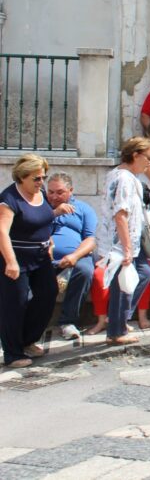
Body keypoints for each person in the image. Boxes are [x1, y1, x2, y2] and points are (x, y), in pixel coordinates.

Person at [0, 154, 58, 367]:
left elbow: (43, 221)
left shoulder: (40, 194)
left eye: (42, 177)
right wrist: (11, 261)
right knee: (15, 303)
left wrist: (49, 241)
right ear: (22, 177)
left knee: (48, 293)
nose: (41, 182)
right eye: (36, 178)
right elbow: (2, 232)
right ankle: (12, 352)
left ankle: (27, 339)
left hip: (41, 256)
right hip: (16, 256)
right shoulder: (9, 199)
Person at [97, 139, 150, 346]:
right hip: (121, 242)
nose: (149, 163)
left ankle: (119, 319)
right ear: (135, 155)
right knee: (123, 284)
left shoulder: (117, 174)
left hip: (121, 240)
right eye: (147, 158)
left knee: (143, 273)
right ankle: (116, 330)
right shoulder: (125, 179)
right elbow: (120, 214)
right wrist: (127, 247)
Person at [46, 172, 98, 340]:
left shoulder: (83, 209)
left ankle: (68, 322)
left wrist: (75, 256)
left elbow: (90, 239)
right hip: (44, 256)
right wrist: (53, 213)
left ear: (70, 191)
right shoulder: (40, 207)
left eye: (59, 192)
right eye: (50, 192)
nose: (54, 196)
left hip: (75, 257)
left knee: (85, 270)